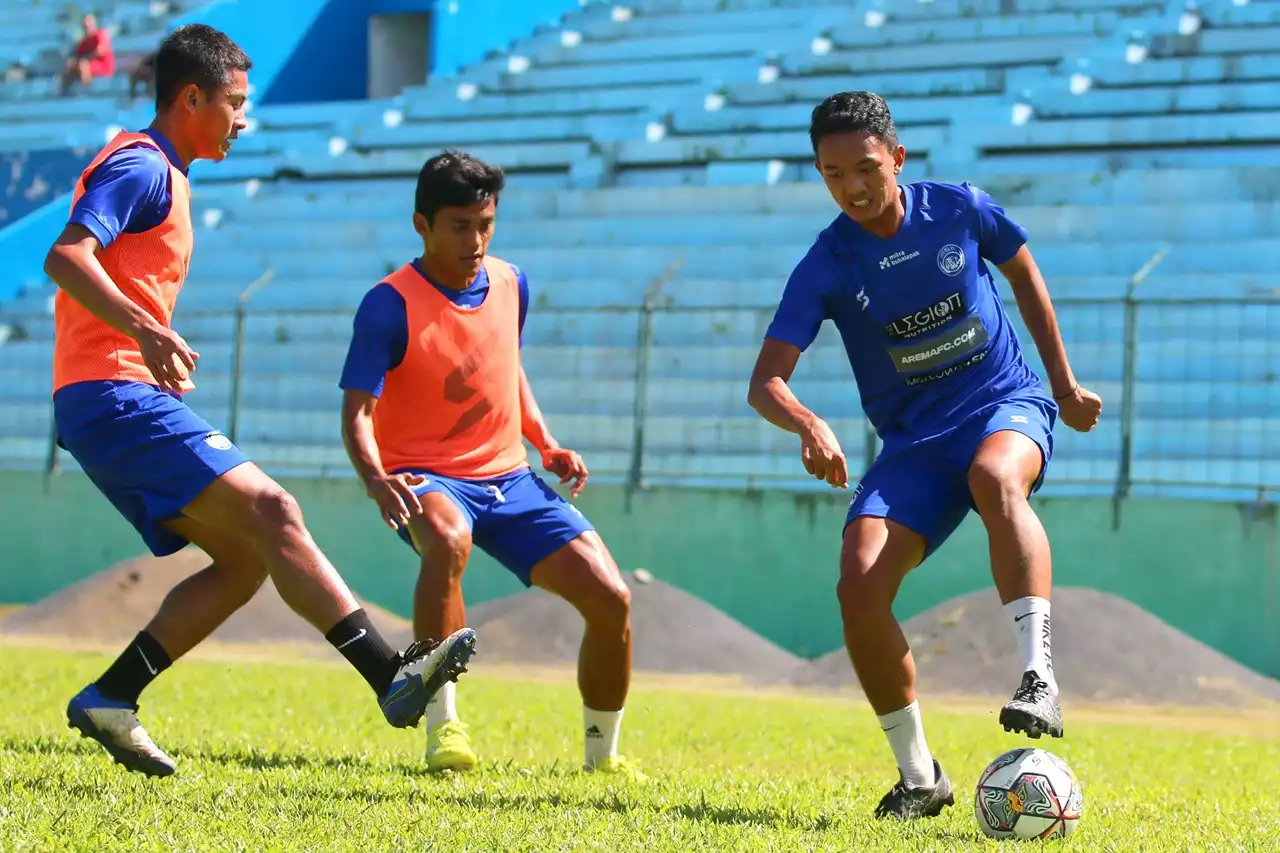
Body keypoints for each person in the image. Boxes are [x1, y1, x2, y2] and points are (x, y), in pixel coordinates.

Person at [43, 24, 476, 779]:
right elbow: (65, 255)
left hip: (107, 397)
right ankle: (389, 674)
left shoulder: (163, 172)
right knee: (275, 511)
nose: (244, 119)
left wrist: (148, 335)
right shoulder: (143, 166)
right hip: (111, 393)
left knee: (244, 560)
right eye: (235, 103)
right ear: (190, 98)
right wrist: (148, 330)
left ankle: (112, 696)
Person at [747, 91, 1102, 820]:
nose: (851, 187)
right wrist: (809, 424)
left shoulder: (961, 209)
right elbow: (765, 381)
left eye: (866, 168)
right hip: (913, 444)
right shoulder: (829, 261)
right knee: (858, 586)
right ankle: (919, 778)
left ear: (898, 157)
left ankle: (1037, 675)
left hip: (1004, 406)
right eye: (831, 173)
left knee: (995, 476)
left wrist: (1062, 386)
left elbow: (1025, 273)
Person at [338, 150, 644, 780]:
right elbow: (357, 412)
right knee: (448, 541)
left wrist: (545, 441)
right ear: (421, 225)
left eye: (485, 223)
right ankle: (443, 725)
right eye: (459, 226)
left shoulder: (511, 283)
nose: (475, 240)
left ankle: (602, 758)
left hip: (510, 478)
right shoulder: (387, 304)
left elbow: (505, 368)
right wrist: (375, 479)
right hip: (426, 477)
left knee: (611, 597)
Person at [60, 14, 115, 95]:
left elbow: (100, 50)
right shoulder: (83, 42)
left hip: (103, 66)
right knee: (70, 68)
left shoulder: (100, 34)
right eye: (85, 24)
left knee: (83, 65)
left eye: (89, 23)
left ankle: (86, 91)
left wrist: (85, 58)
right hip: (89, 64)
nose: (87, 26)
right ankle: (64, 93)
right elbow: (77, 55)